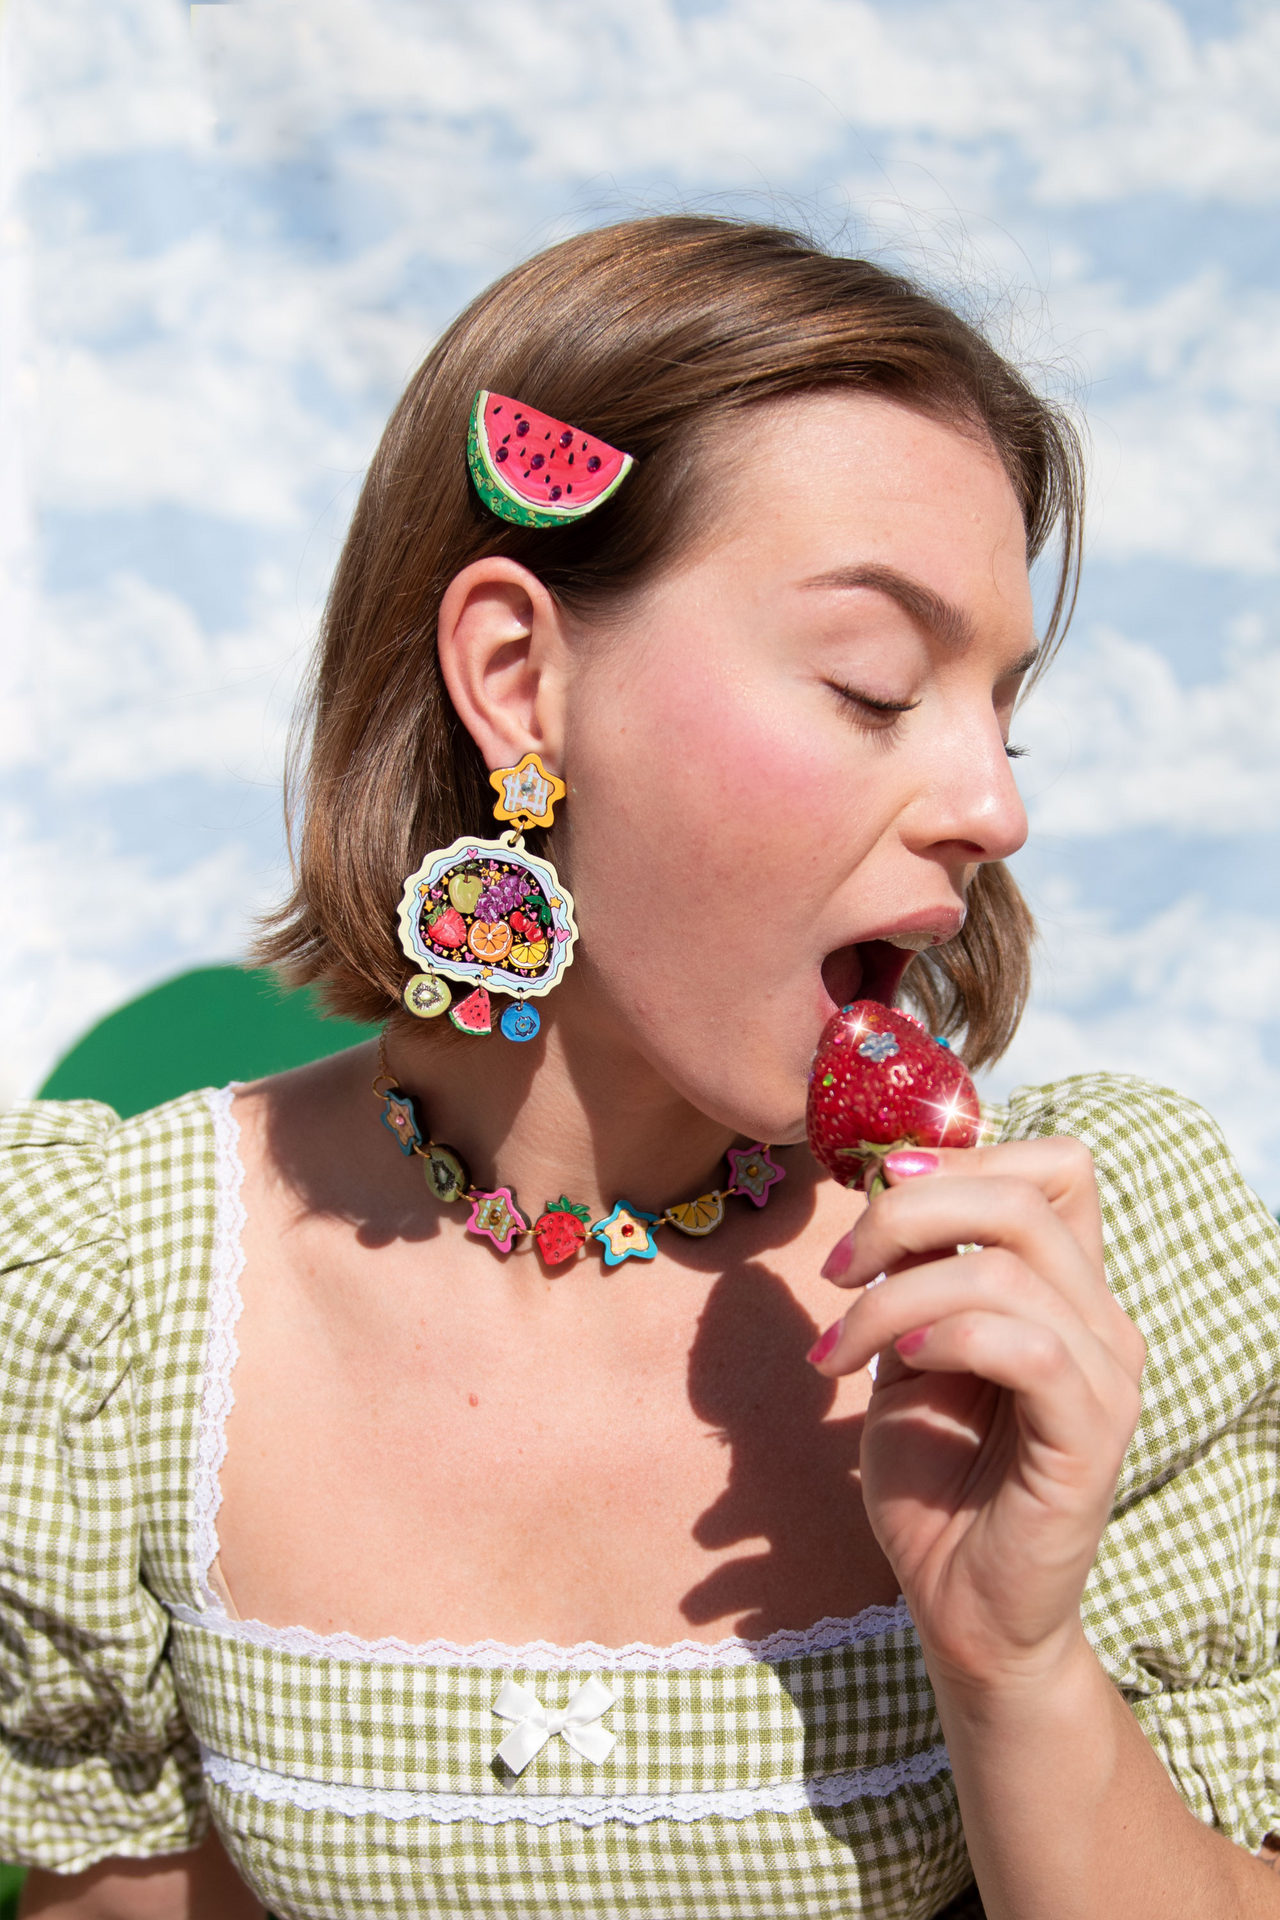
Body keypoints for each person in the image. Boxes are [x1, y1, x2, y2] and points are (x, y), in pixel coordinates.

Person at [4, 216, 1280, 1920]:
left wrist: (1017, 1666)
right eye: (874, 685)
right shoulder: (117, 1303)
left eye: (1003, 709)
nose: (996, 807)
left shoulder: (1095, 1272)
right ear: (521, 681)